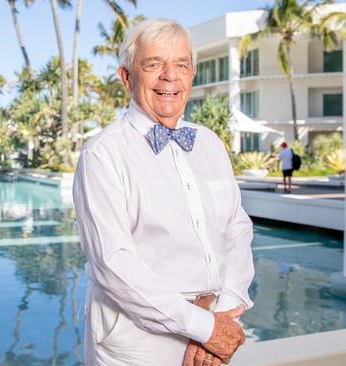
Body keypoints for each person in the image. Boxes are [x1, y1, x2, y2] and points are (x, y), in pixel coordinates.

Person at [73, 18, 255, 366]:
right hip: (136, 344)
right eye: (153, 64)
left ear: (192, 74)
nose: (170, 76)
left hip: (214, 327)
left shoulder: (210, 143)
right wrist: (205, 328)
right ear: (127, 77)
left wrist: (225, 314)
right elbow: (115, 262)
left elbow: (236, 228)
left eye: (181, 65)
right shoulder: (102, 153)